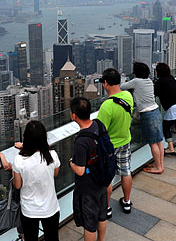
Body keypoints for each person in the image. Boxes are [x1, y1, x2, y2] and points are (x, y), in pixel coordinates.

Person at [11, 121, 60, 241]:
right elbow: (54, 174)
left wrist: (13, 170)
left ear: (26, 139)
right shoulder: (52, 156)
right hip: (50, 207)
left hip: (29, 209)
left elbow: (17, 185)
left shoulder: (19, 160)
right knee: (53, 238)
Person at [96, 68, 134, 218]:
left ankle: (107, 207)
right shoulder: (128, 96)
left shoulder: (106, 106)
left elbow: (100, 130)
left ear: (106, 83)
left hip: (110, 147)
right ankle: (126, 201)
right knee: (126, 172)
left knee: (107, 178)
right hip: (125, 140)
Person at [69, 97, 107, 241]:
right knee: (101, 215)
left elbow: (80, 170)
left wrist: (70, 163)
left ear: (74, 115)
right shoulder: (99, 125)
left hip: (88, 187)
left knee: (90, 223)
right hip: (102, 178)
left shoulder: (81, 141)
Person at [121, 62, 164, 174]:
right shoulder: (149, 81)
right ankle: (160, 164)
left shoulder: (135, 81)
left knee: (153, 143)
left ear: (135, 73)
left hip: (147, 115)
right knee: (159, 141)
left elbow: (121, 87)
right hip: (156, 111)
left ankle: (158, 167)